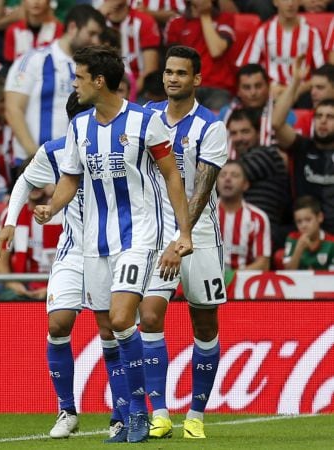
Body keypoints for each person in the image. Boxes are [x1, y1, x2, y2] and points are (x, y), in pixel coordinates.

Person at [33, 45, 193, 443]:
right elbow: (71, 177)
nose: (75, 83)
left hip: (140, 235)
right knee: (108, 327)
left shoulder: (144, 121)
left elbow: (172, 176)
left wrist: (183, 233)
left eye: (79, 76)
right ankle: (125, 413)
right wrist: (52, 207)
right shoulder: (79, 126)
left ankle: (139, 412)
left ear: (98, 81)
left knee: (122, 318)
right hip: (95, 242)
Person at [0, 91, 129, 440]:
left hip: (113, 248)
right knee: (58, 324)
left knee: (110, 329)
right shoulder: (56, 150)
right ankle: (67, 410)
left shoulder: (119, 146)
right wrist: (11, 220)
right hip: (73, 249)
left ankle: (122, 412)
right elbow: (25, 179)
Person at [141, 45, 229, 440]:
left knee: (204, 323)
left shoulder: (211, 127)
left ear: (196, 79)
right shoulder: (145, 119)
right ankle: (160, 412)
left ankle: (196, 413)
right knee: (150, 316)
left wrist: (182, 239)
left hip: (201, 235)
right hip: (155, 232)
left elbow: (200, 190)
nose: (173, 78)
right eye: (168, 72)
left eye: (181, 73)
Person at [5, 4, 105, 165]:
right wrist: (35, 157)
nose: (96, 41)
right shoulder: (32, 60)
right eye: (91, 33)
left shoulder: (94, 70)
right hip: (34, 163)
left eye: (98, 35)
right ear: (73, 27)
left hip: (76, 166)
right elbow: (13, 109)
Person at [272, 57, 334, 234]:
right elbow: (276, 123)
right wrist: (296, 82)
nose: (323, 121)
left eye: (330, 117)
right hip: (301, 228)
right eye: (319, 116)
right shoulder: (303, 146)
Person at [225, 108, 292, 248]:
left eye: (245, 131)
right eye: (234, 133)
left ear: (257, 132)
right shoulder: (236, 163)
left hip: (264, 234)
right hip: (237, 231)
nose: (239, 138)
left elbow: (219, 179)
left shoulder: (268, 155)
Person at [164, 0, 236, 110]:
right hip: (187, 87)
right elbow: (174, 63)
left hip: (218, 87)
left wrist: (205, 15)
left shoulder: (225, 19)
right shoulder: (175, 24)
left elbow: (216, 50)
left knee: (217, 126)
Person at [236, 0, 325, 89]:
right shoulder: (263, 32)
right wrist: (267, 88)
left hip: (303, 92)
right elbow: (246, 69)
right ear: (275, 2)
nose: (290, 4)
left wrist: (293, 91)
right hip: (271, 92)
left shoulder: (313, 33)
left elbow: (322, 76)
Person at [216, 160, 271, 270]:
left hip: (243, 284)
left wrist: (232, 278)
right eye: (222, 175)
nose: (227, 179)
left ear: (245, 185)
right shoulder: (203, 214)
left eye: (234, 175)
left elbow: (263, 263)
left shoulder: (258, 218)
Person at [2, 0, 63, 64]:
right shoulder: (12, 30)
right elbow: (9, 63)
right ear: (24, 1)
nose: (36, 2)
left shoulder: (58, 29)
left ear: (48, 2)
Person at [284, 195, 334, 269]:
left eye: (308, 220)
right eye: (299, 221)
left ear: (320, 217)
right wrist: (298, 249)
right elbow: (288, 273)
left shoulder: (331, 242)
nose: (303, 225)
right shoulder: (292, 239)